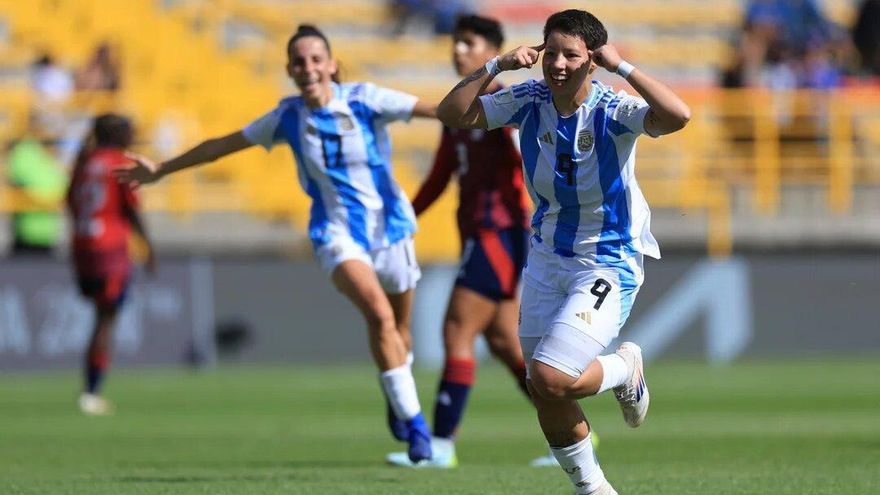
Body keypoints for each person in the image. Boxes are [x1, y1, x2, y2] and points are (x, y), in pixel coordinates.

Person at [115, 25, 437, 463]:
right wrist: (162, 170)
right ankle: (417, 429)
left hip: (392, 228)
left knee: (399, 330)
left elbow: (439, 111)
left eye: (316, 59)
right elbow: (221, 146)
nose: (308, 68)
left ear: (332, 64)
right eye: (299, 62)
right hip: (336, 234)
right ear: (289, 70)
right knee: (380, 317)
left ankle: (396, 392)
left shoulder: (365, 99)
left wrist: (495, 103)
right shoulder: (287, 118)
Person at [437, 9, 690, 494]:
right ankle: (594, 489)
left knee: (553, 377)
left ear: (590, 61)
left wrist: (625, 68)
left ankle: (622, 369)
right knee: (542, 387)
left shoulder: (612, 108)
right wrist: (494, 66)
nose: (556, 64)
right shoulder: (528, 99)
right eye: (550, 52)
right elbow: (453, 114)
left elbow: (679, 115)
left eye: (570, 55)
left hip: (607, 260)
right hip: (548, 257)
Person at [386, 14, 558, 469]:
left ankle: (440, 444)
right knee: (504, 342)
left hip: (500, 232)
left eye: (468, 43)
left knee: (456, 329)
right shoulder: (458, 110)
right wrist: (403, 217)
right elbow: (442, 174)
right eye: (455, 43)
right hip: (477, 233)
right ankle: (573, 428)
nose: (458, 50)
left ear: (492, 51)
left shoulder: (506, 105)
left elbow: (532, 160)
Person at [67, 114, 155, 416]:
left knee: (100, 316)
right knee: (106, 319)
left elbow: (70, 201)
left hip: (82, 247)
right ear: (117, 134)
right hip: (110, 250)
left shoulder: (83, 161)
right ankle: (91, 392)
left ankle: (91, 389)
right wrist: (149, 247)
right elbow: (131, 209)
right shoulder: (119, 162)